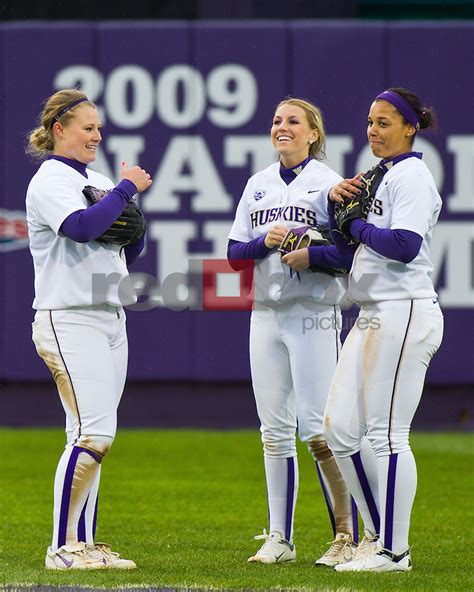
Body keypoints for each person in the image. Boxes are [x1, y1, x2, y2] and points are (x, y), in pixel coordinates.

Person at [227, 97, 359, 566]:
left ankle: (347, 536)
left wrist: (314, 253)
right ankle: (279, 538)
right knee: (273, 432)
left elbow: (350, 253)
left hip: (313, 313)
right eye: (277, 120)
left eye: (293, 121)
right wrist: (262, 241)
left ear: (313, 134)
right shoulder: (258, 184)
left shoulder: (330, 185)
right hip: (264, 314)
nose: (282, 127)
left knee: (321, 429)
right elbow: (234, 255)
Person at [25, 89, 152, 569]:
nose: (96, 135)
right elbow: (79, 228)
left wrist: (133, 230)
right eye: (87, 127)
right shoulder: (50, 179)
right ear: (60, 129)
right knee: (93, 433)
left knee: (88, 432)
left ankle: (85, 541)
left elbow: (122, 248)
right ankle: (62, 547)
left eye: (99, 127)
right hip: (68, 315)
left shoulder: (95, 179)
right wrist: (125, 191)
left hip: (109, 315)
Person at [323, 87, 444, 572]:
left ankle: (395, 551)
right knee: (338, 430)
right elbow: (354, 249)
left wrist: (354, 227)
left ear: (410, 126)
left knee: (388, 435)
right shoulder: (379, 176)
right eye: (370, 121)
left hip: (404, 309)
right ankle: (376, 538)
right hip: (373, 311)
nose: (373, 130)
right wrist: (338, 216)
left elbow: (405, 245)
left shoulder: (412, 174)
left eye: (385, 122)